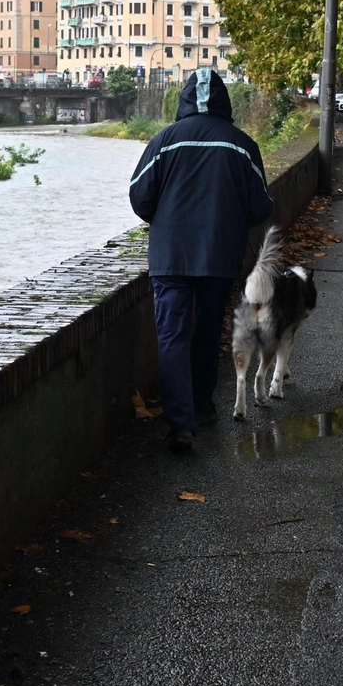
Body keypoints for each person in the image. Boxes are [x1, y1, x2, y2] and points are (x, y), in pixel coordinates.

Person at [129, 68, 273, 451]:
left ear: (185, 99)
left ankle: (181, 423)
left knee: (172, 336)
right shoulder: (242, 145)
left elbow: (139, 197)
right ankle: (203, 404)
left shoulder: (164, 141)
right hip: (218, 254)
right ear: (224, 102)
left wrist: (168, 218)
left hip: (171, 254)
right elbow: (261, 206)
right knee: (209, 330)